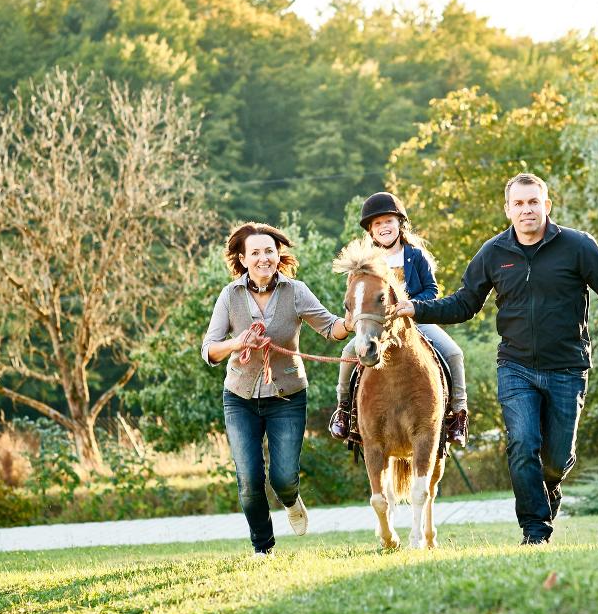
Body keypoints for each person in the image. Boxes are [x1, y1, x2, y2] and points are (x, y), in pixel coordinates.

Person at [395, 173, 598, 545]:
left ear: (546, 206)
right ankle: (535, 532)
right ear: (508, 209)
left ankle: (550, 488)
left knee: (556, 459)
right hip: (516, 367)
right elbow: (464, 303)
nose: (527, 209)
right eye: (519, 203)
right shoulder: (494, 253)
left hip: (568, 368)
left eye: (533, 202)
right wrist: (416, 309)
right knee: (522, 444)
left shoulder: (577, 246)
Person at [201, 222, 350, 556]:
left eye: (269, 250)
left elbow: (331, 328)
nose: (263, 258)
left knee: (283, 478)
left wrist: (352, 322)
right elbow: (208, 349)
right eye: (255, 252)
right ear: (242, 258)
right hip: (239, 397)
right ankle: (263, 549)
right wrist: (236, 342)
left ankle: (291, 499)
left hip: (287, 396)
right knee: (250, 480)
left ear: (277, 254)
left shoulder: (295, 291)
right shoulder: (230, 295)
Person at [328, 192, 469, 447]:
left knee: (454, 353)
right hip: (379, 326)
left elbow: (432, 290)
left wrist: (412, 306)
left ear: (400, 224)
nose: (384, 227)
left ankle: (458, 414)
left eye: (388, 221)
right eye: (377, 224)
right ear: (370, 231)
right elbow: (355, 295)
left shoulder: (416, 256)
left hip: (416, 320)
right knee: (349, 353)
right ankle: (344, 411)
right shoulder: (365, 263)